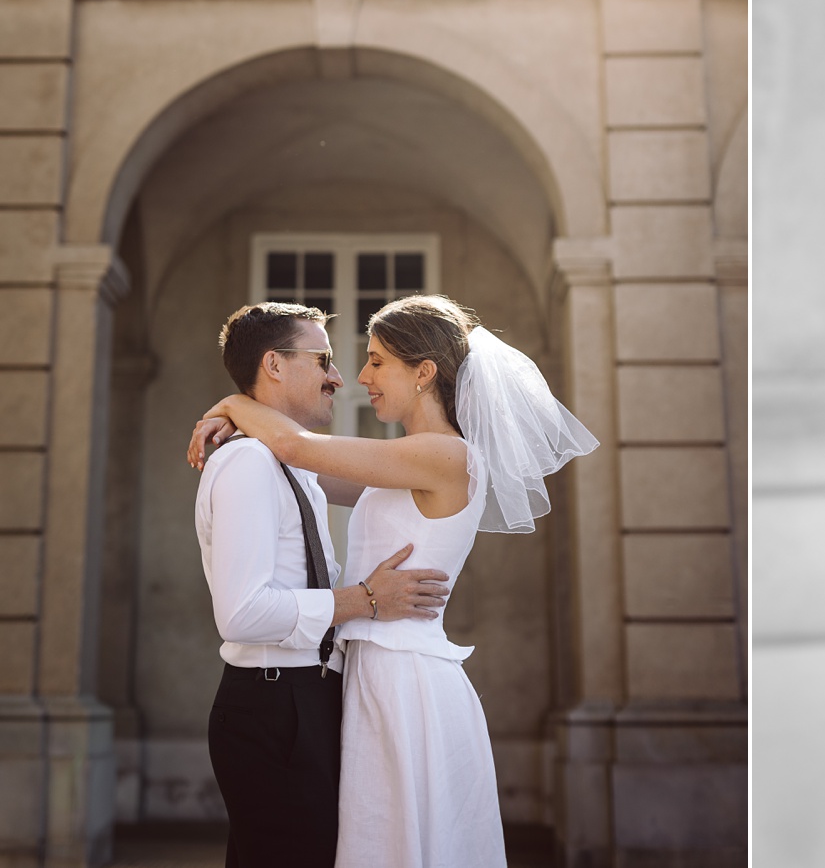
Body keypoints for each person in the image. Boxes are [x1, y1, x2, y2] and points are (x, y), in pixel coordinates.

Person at [189, 294, 598, 868]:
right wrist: (242, 418)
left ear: (424, 372)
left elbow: (295, 448)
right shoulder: (403, 462)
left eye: (377, 361)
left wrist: (233, 401)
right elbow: (296, 466)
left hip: (405, 678)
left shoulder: (446, 456)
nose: (360, 376)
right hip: (369, 673)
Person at [194, 302, 454, 868]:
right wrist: (364, 600)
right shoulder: (248, 466)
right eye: (324, 360)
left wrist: (236, 405)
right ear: (275, 365)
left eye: (369, 361)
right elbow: (241, 614)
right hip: (271, 704)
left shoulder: (299, 464)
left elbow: (308, 454)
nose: (343, 377)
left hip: (312, 698)